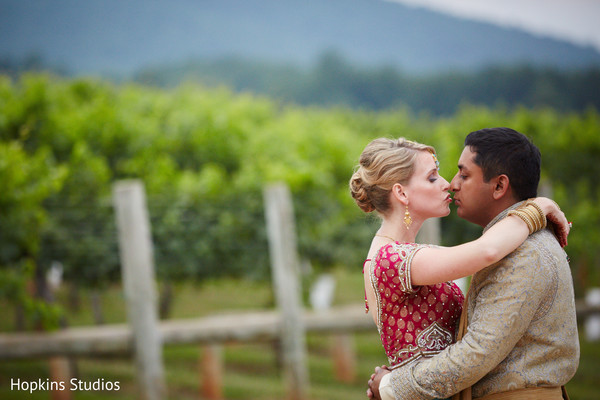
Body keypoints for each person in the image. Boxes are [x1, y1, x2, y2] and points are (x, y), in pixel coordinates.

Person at [363, 128, 579, 400]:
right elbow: (487, 250)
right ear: (401, 194)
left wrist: (392, 386)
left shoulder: (520, 249)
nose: (448, 184)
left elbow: (476, 349)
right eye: (432, 177)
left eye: (462, 175)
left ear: (500, 186)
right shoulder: (392, 258)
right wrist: (540, 206)